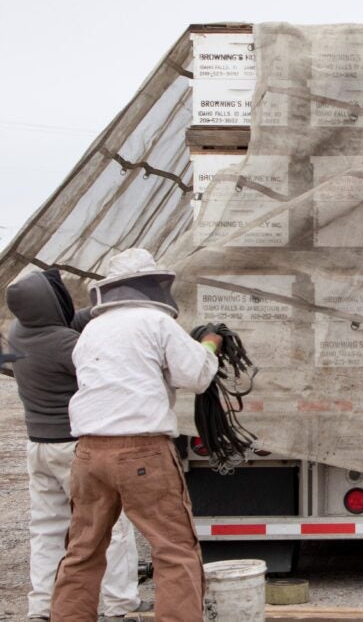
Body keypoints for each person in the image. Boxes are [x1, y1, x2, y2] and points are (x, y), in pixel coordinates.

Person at [50, 248, 223, 622]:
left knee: (82, 551)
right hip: (142, 451)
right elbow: (196, 375)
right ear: (152, 284)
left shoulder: (91, 330)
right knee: (174, 550)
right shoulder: (155, 322)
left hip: (88, 454)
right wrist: (210, 343)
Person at [5, 269, 148, 620]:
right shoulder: (66, 345)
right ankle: (119, 603)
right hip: (72, 448)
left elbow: (71, 319)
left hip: (37, 447)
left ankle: (41, 605)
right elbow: (108, 368)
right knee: (111, 525)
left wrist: (105, 304)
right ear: (49, 303)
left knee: (47, 528)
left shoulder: (18, 332)